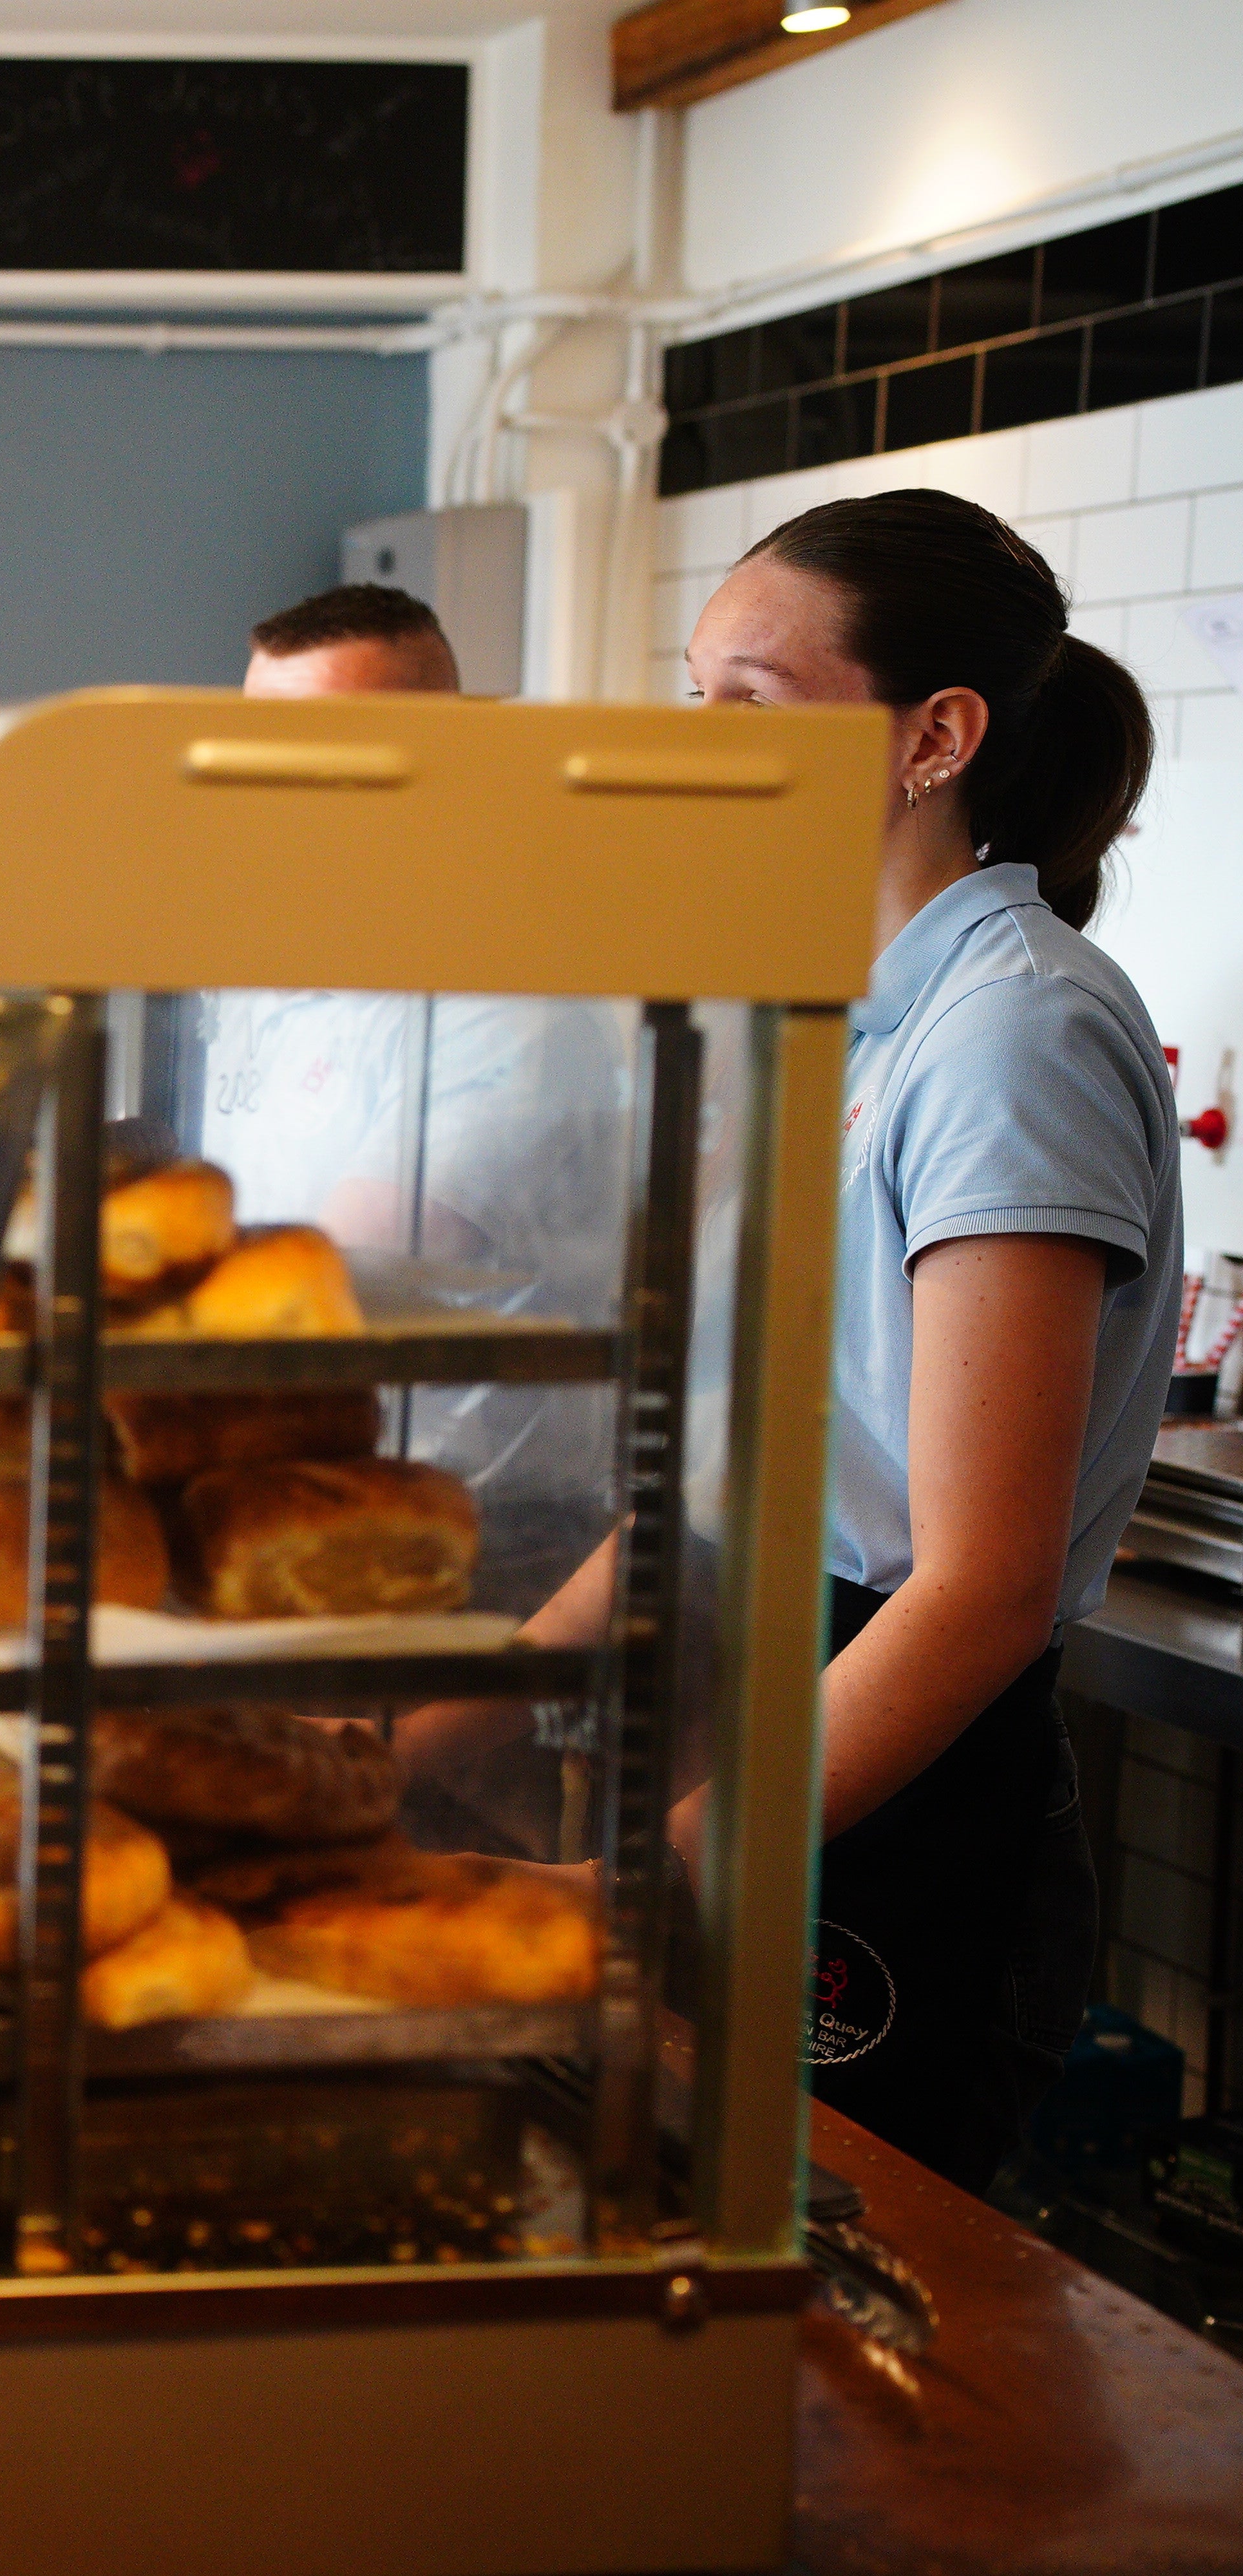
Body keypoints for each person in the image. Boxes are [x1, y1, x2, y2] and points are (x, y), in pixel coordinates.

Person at [462, 488, 1165, 2191]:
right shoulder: (842, 1012)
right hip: (759, 1723)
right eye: (694, 693)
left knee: (853, 2383)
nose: (702, 744)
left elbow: (978, 1586)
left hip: (899, 1805)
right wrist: (444, 1717)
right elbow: (735, 1470)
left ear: (935, 738)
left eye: (751, 704)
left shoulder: (1013, 1033)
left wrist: (667, 1872)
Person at [196, 585, 632, 1611]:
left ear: (446, 758)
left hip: (474, 1544)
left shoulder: (503, 1008)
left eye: (333, 754)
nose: (284, 793)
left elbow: (330, 1276)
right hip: (305, 1492)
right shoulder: (263, 970)